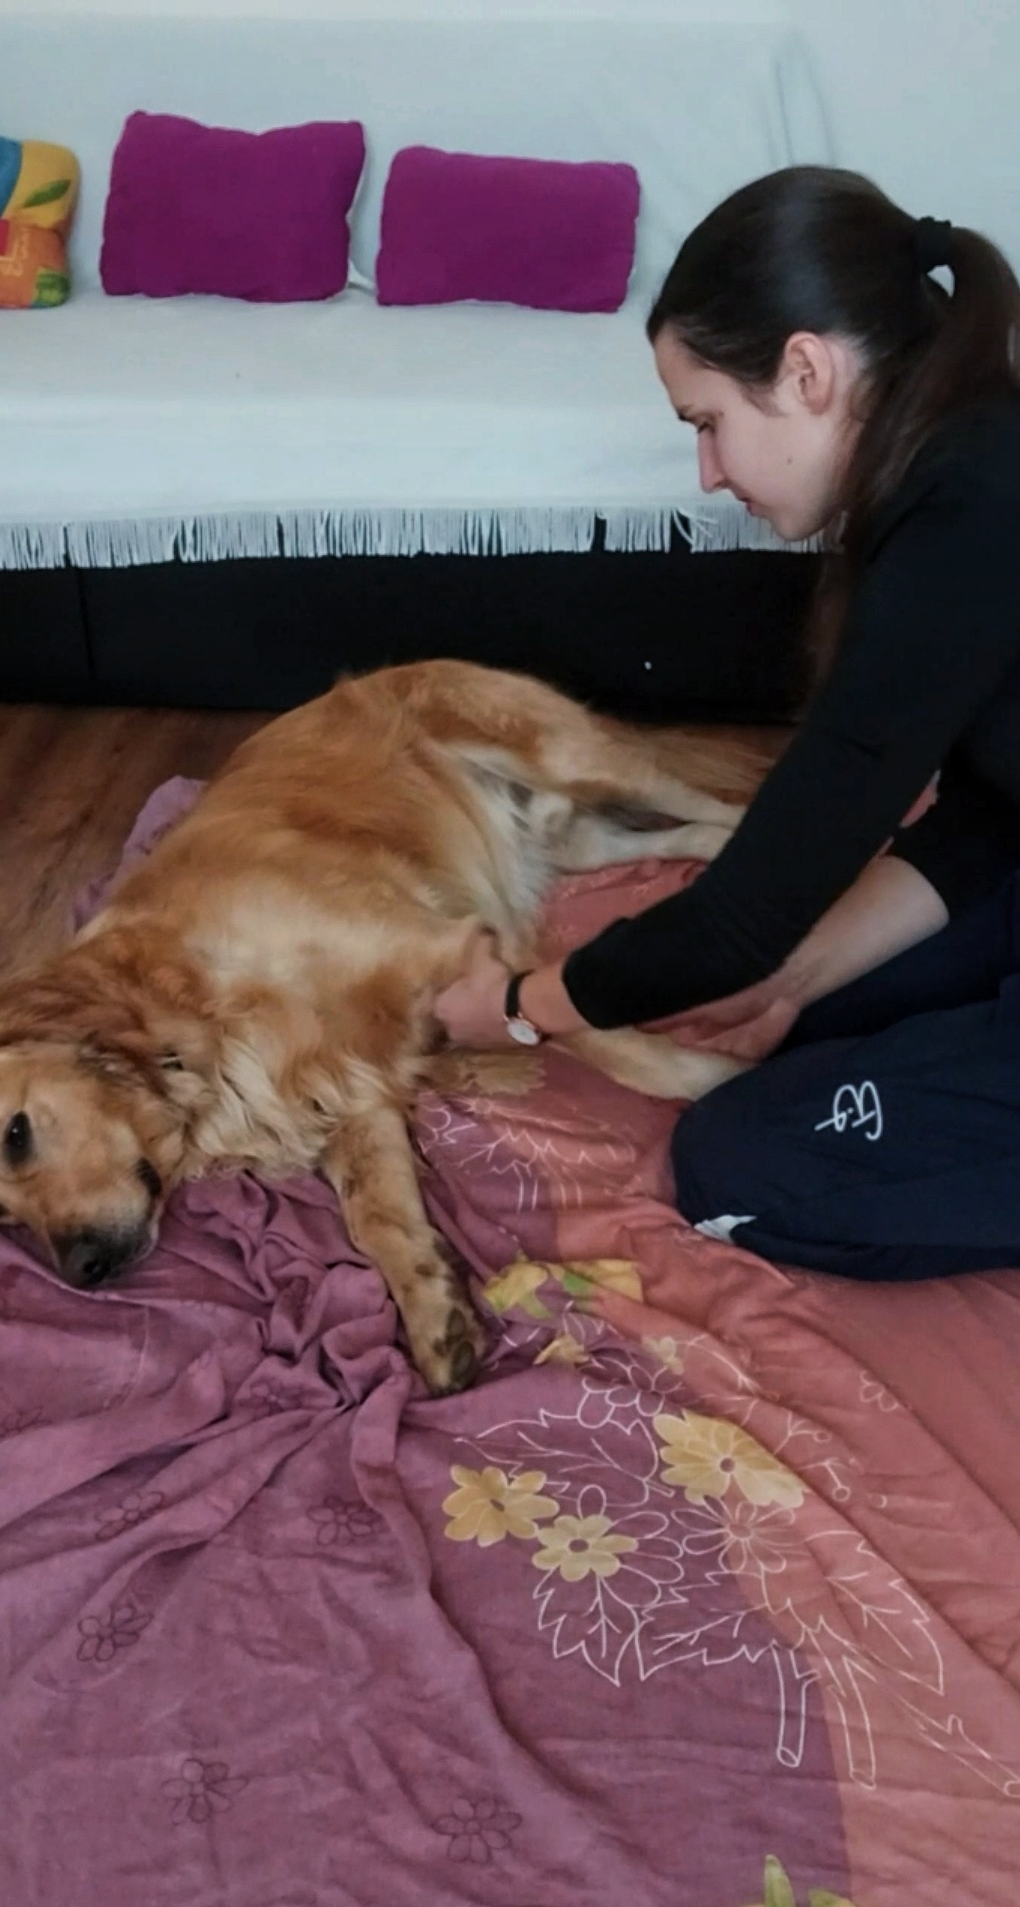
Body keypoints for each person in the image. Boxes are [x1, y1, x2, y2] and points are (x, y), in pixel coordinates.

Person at [435, 163, 1020, 1282]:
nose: (705, 473)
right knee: (801, 1018)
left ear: (805, 371)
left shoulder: (972, 504)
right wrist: (796, 978)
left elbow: (742, 915)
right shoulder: (963, 459)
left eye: (707, 423)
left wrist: (515, 1008)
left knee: (734, 1163)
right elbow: (994, 813)